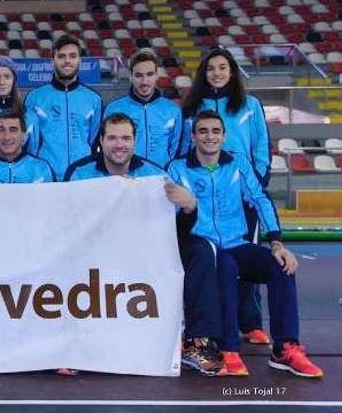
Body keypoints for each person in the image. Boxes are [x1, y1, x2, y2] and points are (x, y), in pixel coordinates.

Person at [66, 113, 224, 376]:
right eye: (113, 138)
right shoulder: (79, 171)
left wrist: (189, 207)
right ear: (101, 141)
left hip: (145, 248)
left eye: (126, 138)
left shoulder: (155, 174)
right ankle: (74, 343)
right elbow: (67, 221)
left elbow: (174, 230)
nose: (120, 144)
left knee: (200, 249)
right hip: (95, 248)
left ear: (135, 141)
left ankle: (198, 342)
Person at [167, 111, 323, 378]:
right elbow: (167, 216)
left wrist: (277, 243)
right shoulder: (177, 168)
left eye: (215, 131)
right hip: (202, 248)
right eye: (203, 131)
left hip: (235, 243)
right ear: (193, 136)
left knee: (280, 265)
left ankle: (285, 348)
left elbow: (260, 200)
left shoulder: (238, 163)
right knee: (224, 265)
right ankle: (228, 349)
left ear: (224, 136)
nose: (210, 136)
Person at [180, 47, 272, 345]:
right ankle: (209, 323)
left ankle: (250, 321)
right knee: (206, 258)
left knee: (244, 258)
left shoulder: (249, 105)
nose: (216, 73)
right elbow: (184, 150)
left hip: (242, 194)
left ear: (232, 71)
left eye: (222, 67)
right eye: (210, 68)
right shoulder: (192, 107)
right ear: (203, 74)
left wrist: (253, 185)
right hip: (204, 197)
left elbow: (262, 150)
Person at [25, 34, 103, 176]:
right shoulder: (34, 98)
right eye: (61, 56)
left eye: (73, 56)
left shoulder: (93, 99)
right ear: (52, 60)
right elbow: (29, 143)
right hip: (46, 176)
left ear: (80, 60)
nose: (67, 61)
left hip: (82, 176)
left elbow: (95, 141)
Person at [104, 49, 182, 166]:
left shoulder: (173, 110)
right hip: (125, 177)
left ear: (156, 76)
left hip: (161, 176)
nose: (144, 81)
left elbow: (176, 148)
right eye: (138, 75)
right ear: (131, 77)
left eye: (150, 74)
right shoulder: (114, 109)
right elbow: (107, 146)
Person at [0, 110, 54, 184]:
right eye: (0, 130)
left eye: (13, 130)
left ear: (23, 135)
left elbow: (53, 204)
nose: (7, 137)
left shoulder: (41, 169)